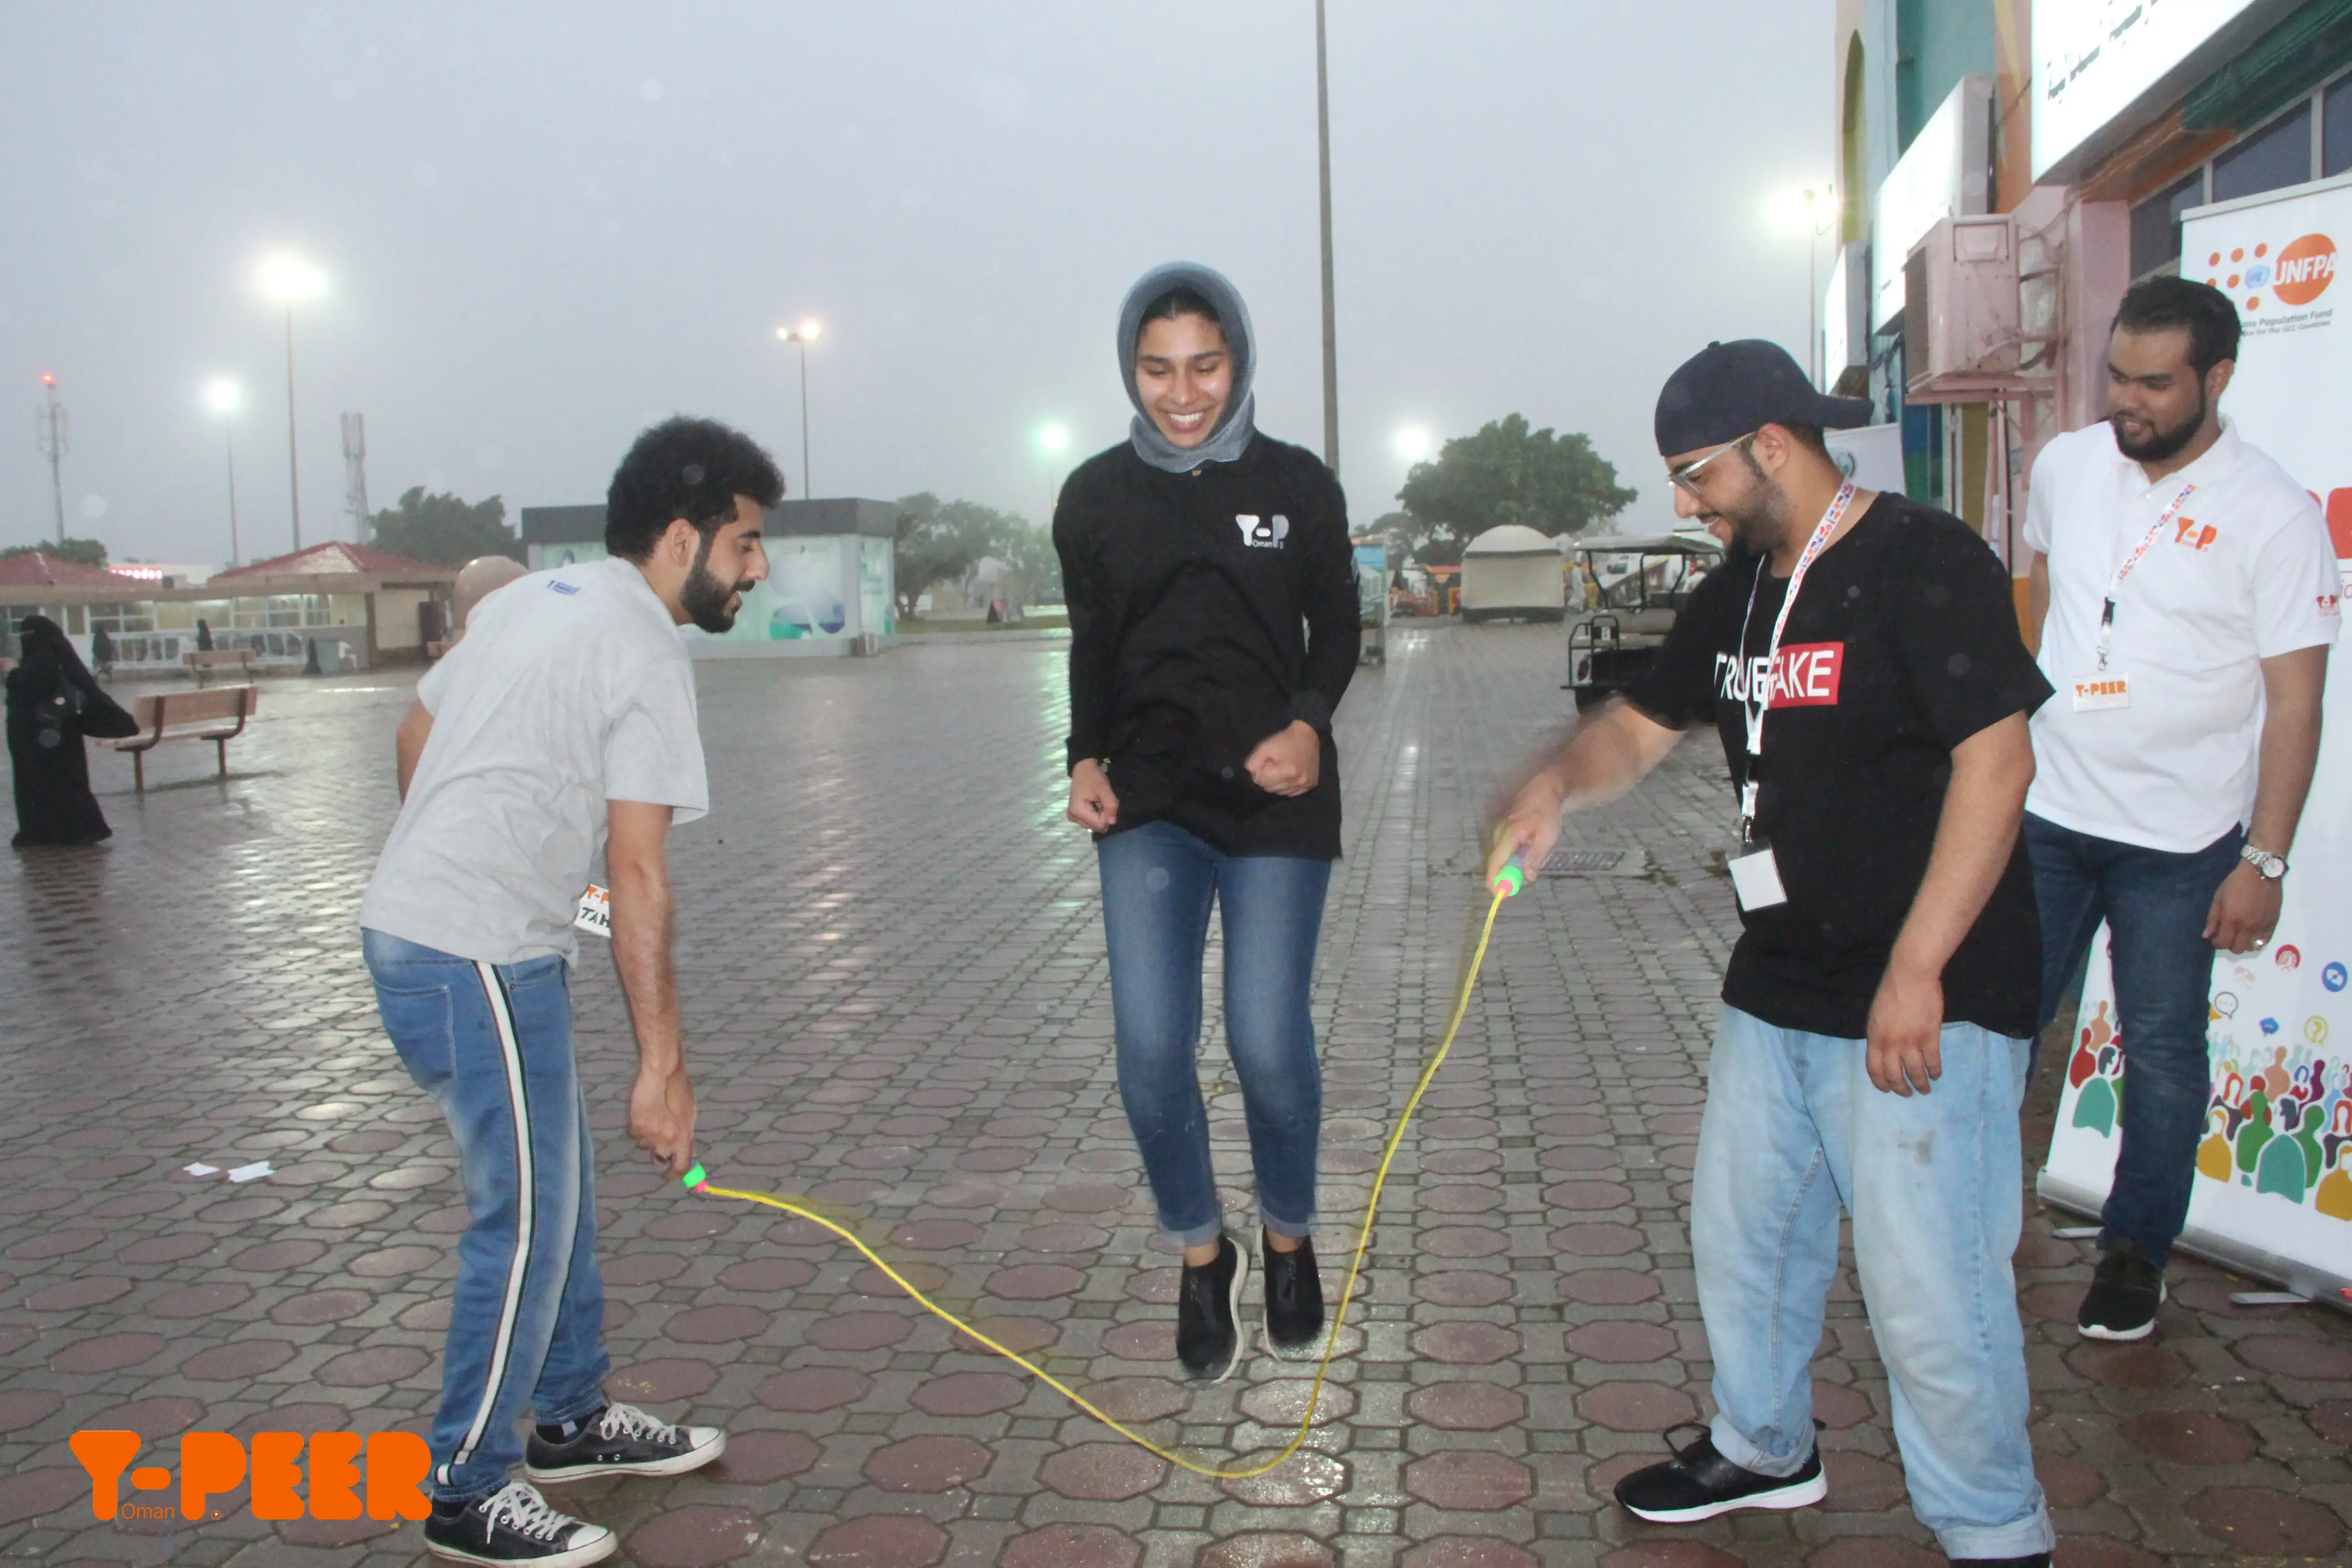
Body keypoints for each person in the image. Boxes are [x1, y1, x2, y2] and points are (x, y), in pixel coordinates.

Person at [1490, 341, 2056, 1566]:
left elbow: (1998, 763)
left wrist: (1919, 970)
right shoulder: (1742, 584)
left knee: (1930, 1295)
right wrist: (1552, 793)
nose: (1686, 503)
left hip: (1927, 991)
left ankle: (1996, 1530)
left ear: (1775, 446)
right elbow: (1638, 731)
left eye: (1697, 476)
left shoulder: (1923, 561)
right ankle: (1763, 1446)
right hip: (1783, 976)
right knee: (1743, 1235)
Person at [358, 417, 779, 1568]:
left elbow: (414, 731)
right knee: (526, 1215)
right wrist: (664, 1066)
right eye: (744, 544)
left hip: (446, 937)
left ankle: (573, 1415)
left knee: (559, 1188)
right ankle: (466, 1485)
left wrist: (470, 867)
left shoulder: (535, 598)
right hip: (469, 954)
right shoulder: (641, 643)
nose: (757, 568)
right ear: (682, 536)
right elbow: (640, 873)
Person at [1054, 261, 1361, 1382]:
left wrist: (1309, 722)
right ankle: (1199, 1249)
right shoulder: (1092, 495)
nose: (1181, 393)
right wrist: (1082, 755)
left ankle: (1287, 1234)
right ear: (1128, 371)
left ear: (1236, 360)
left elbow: (1338, 625)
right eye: (1156, 369)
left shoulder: (1297, 482)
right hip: (1148, 804)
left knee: (1265, 1037)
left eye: (1204, 365)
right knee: (1148, 1048)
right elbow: (1092, 641)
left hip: (1274, 799)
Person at [2022, 276, 2338, 1342]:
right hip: (2047, 814)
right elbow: (2035, 581)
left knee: (2158, 1049)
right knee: (1999, 1025)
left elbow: (2296, 697)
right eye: (2115, 375)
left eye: (2154, 383)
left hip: (2181, 839)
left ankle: (2132, 1249)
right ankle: (1961, 1217)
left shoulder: (2272, 512)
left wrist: (2266, 858)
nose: (2127, 401)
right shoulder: (2065, 465)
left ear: (2216, 378)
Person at [7, 615, 138, 848]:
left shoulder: (41, 660)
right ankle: (77, 828)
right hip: (63, 734)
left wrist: (10, 673)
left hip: (40, 738)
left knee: (39, 784)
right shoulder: (60, 657)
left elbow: (28, 688)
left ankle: (46, 832)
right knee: (69, 781)